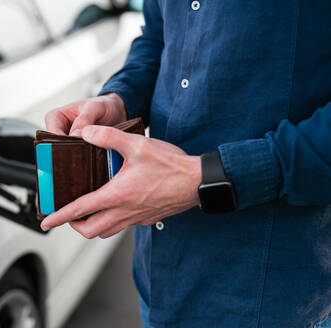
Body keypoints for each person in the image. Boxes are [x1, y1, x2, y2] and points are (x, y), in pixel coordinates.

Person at [40, 1, 331, 327]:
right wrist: (120, 99)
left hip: (265, 301)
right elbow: (158, 35)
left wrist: (204, 179)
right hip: (158, 282)